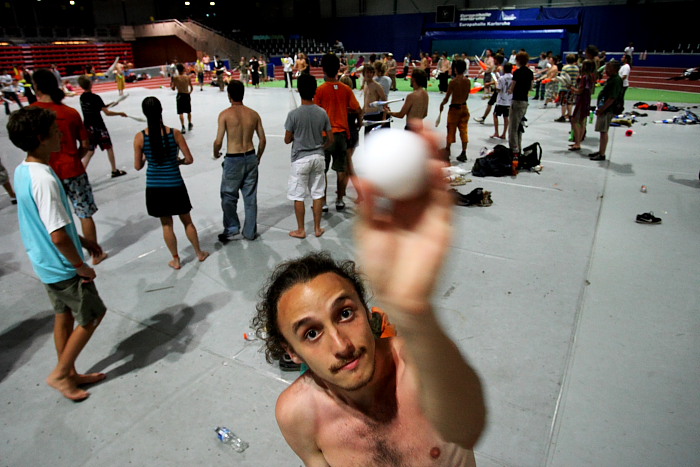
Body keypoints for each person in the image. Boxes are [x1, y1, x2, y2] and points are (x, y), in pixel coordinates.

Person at [252, 124, 485, 466]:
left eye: (345, 313)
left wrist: (414, 310)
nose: (342, 344)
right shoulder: (298, 415)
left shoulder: (419, 366)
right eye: (311, 333)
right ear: (291, 352)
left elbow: (467, 429)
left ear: (367, 311)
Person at [7, 106, 108, 401]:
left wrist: (83, 241)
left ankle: (70, 370)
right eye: (54, 133)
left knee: (63, 316)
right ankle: (61, 374)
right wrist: (80, 265)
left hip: (44, 262)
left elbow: (48, 224)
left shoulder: (23, 170)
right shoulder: (45, 180)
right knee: (92, 315)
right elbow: (57, 234)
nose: (61, 136)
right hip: (63, 266)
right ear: (40, 138)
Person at [31, 68, 108, 265]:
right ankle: (96, 253)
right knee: (84, 212)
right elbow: (84, 145)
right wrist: (74, 156)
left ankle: (66, 256)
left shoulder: (31, 113)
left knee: (53, 216)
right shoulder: (70, 113)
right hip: (73, 169)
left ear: (37, 86)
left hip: (45, 172)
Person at [133, 97, 208, 269]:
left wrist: (146, 156)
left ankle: (176, 259)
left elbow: (137, 166)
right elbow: (189, 159)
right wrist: (178, 162)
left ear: (145, 113)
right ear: (160, 111)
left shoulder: (140, 137)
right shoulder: (174, 133)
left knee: (166, 224)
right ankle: (199, 252)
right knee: (187, 221)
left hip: (155, 187)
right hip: (175, 183)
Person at [213, 80, 266, 242]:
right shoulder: (253, 114)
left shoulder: (225, 115)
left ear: (229, 95)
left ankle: (232, 226)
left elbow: (218, 141)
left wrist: (216, 153)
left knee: (228, 196)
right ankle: (249, 232)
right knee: (250, 198)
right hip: (250, 156)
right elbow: (263, 140)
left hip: (233, 158)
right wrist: (257, 157)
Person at [283, 74, 332, 239]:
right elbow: (330, 138)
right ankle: (318, 228)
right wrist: (320, 148)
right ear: (315, 90)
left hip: (300, 158)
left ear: (299, 90)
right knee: (318, 193)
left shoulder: (293, 114)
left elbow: (287, 139)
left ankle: (301, 229)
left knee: (298, 195)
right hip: (318, 156)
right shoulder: (322, 112)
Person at [314, 53, 362, 212]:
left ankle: (325, 202)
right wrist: (359, 123)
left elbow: (315, 111)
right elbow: (357, 109)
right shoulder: (346, 89)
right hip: (341, 134)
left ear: (323, 70)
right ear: (337, 69)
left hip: (325, 135)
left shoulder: (320, 90)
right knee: (341, 170)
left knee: (323, 171)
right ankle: (340, 200)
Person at [77, 75, 128, 177]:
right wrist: (120, 113)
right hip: (99, 126)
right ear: (90, 84)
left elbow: (97, 107)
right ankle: (114, 170)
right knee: (108, 147)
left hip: (88, 127)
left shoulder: (82, 97)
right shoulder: (95, 97)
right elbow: (107, 113)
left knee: (90, 151)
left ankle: (80, 172)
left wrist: (110, 104)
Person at [589, 61, 623, 161]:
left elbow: (612, 98)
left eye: (608, 68)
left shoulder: (616, 80)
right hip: (604, 108)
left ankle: (602, 154)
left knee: (603, 131)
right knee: (602, 131)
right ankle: (600, 151)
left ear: (614, 69)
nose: (605, 71)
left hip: (607, 110)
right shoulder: (612, 79)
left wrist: (602, 109)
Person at [439, 59, 470, 163]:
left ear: (455, 69)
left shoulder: (453, 82)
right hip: (464, 107)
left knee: (451, 130)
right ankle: (464, 152)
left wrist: (442, 104)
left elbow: (447, 97)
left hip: (454, 109)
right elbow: (466, 95)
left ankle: (447, 151)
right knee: (464, 130)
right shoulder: (468, 81)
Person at [508, 51, 534, 170]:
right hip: (524, 101)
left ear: (518, 60)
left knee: (513, 127)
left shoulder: (517, 72)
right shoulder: (530, 72)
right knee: (519, 126)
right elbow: (531, 87)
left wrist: (508, 90)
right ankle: (518, 146)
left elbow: (512, 88)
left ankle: (514, 150)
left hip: (516, 101)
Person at [568, 59, 596, 152]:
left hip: (582, 100)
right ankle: (579, 141)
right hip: (587, 99)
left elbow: (580, 90)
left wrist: (572, 88)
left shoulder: (584, 77)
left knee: (575, 120)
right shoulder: (592, 76)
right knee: (582, 121)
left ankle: (577, 143)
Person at [474, 54, 504, 123]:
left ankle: (520, 119)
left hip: (500, 90)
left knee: (504, 106)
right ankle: (483, 118)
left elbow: (499, 80)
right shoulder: (496, 68)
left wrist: (489, 83)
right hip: (497, 89)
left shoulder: (499, 69)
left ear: (498, 60)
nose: (493, 60)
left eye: (495, 59)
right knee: (490, 103)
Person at [362, 65, 387, 135]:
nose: (369, 74)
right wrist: (361, 115)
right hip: (367, 116)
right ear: (364, 74)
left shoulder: (377, 86)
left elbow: (385, 102)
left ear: (373, 74)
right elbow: (366, 102)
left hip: (375, 116)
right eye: (367, 72)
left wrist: (384, 118)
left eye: (371, 72)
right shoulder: (365, 86)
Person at [491, 62, 513, 140]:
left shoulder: (501, 78)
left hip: (501, 100)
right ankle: (504, 134)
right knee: (506, 117)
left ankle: (496, 132)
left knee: (495, 115)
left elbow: (499, 89)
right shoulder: (513, 77)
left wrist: (496, 84)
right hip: (509, 100)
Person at [555, 54, 580, 122]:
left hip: (564, 87)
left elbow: (563, 78)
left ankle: (563, 116)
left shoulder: (565, 67)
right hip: (573, 87)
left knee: (564, 102)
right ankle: (570, 115)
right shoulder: (576, 68)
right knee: (570, 102)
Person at [171, 63, 194, 133]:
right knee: (188, 111)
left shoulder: (176, 78)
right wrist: (189, 92)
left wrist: (173, 86)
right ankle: (190, 123)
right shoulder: (187, 77)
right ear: (183, 69)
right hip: (186, 94)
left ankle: (183, 126)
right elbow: (191, 87)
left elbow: (173, 88)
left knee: (180, 112)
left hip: (180, 95)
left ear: (177, 70)